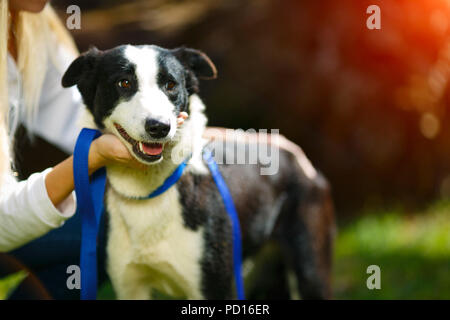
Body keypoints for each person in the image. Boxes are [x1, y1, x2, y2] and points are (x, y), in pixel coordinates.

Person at [0, 0, 141, 298]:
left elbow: (82, 118)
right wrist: (91, 158)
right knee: (119, 219)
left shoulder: (34, 25)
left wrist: (204, 138)